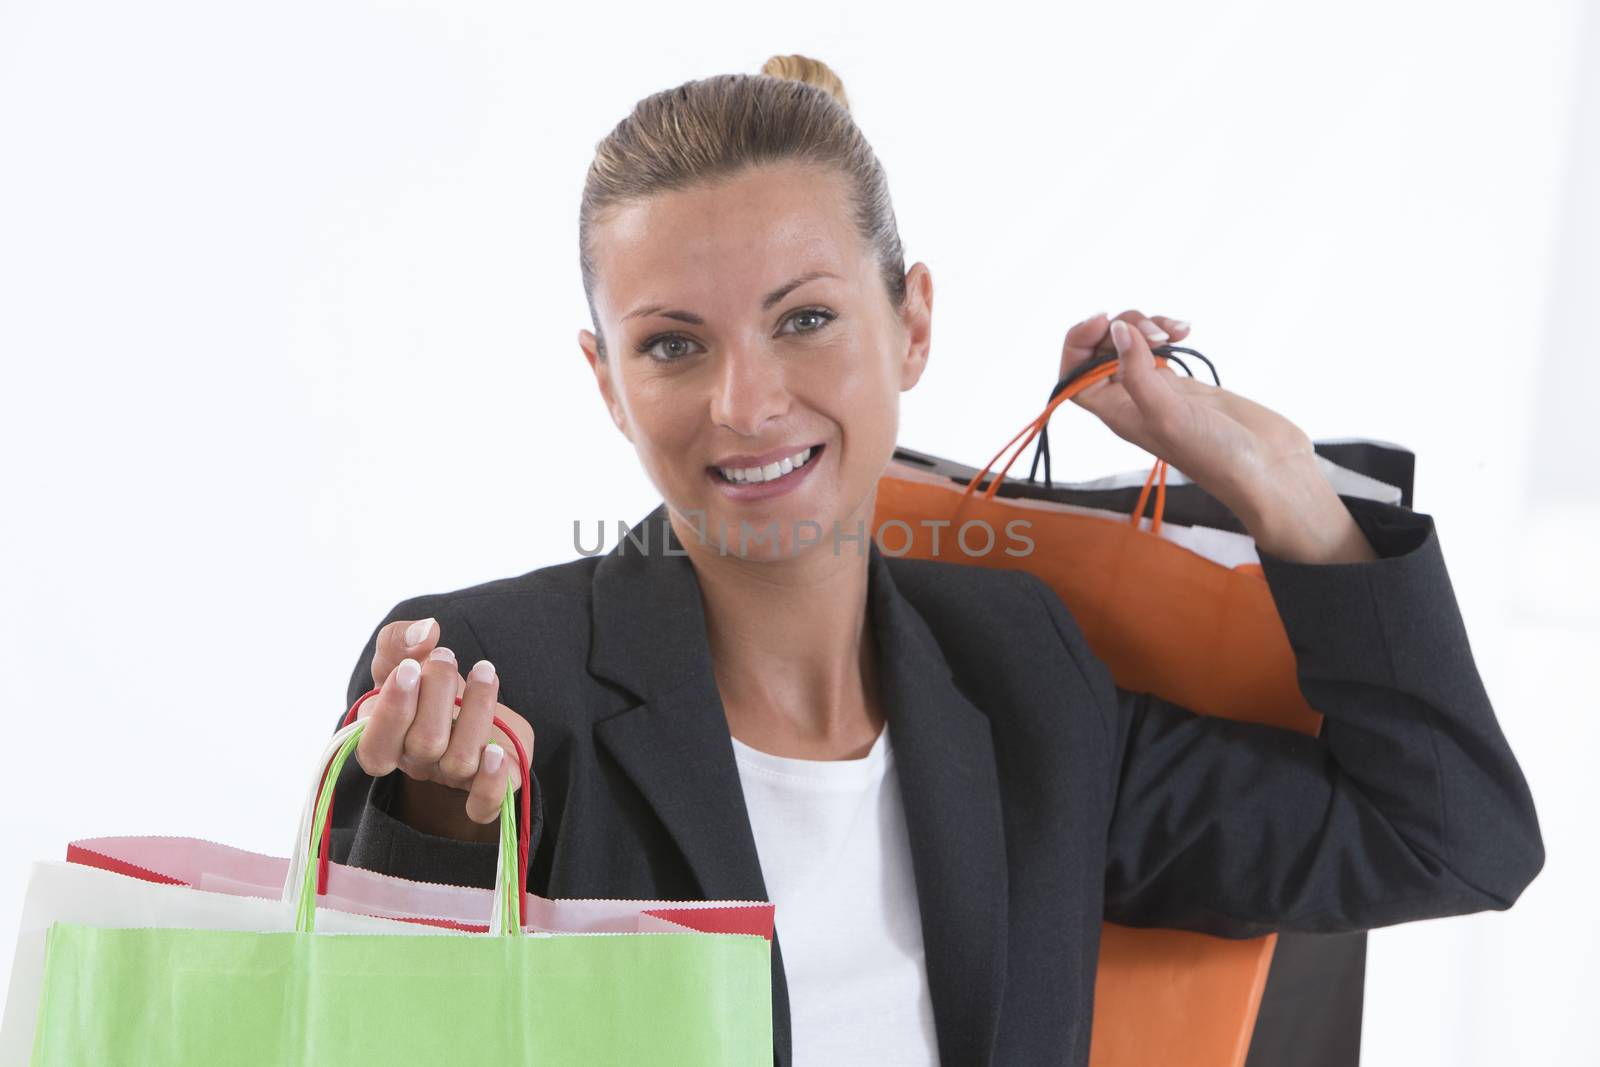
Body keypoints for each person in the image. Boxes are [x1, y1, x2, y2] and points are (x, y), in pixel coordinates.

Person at [325, 55, 1545, 1067]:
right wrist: (434, 832)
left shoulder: (1024, 677)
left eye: (803, 318)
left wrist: (1278, 482)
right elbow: (368, 1034)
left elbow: (1448, 835)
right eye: (672, 345)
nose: (745, 402)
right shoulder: (495, 685)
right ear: (606, 380)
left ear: (911, 324)